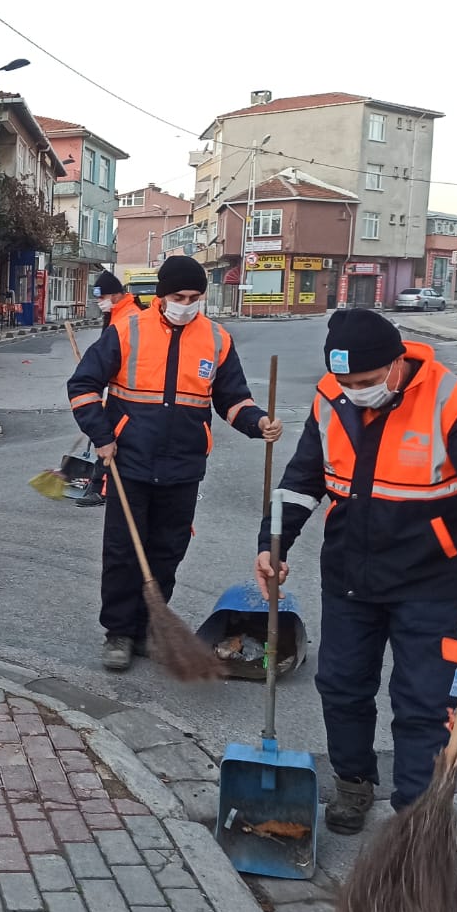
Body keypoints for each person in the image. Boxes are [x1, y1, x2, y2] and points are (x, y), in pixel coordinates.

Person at [256, 310, 457, 833]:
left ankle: (417, 817)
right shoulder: (331, 398)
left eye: (369, 382)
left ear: (398, 363)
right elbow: (302, 480)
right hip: (351, 576)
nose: (356, 392)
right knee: (342, 686)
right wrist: (273, 544)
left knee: (423, 702)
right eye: (347, 383)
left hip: (433, 582)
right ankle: (353, 783)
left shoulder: (455, 402)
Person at [67, 256, 282, 671]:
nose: (187, 304)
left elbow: (232, 398)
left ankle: (151, 625)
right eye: (179, 297)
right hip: (129, 460)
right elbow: (83, 385)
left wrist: (258, 423)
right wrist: (103, 436)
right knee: (124, 550)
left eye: (195, 297)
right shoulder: (127, 331)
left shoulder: (216, 339)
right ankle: (119, 632)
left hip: (184, 465)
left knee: (168, 550)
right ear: (161, 296)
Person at [72, 271, 142, 508]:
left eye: (102, 298)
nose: (100, 303)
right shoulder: (118, 314)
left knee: (111, 440)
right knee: (107, 437)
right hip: (118, 391)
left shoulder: (129, 318)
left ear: (115, 295)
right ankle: (100, 487)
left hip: (131, 395)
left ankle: (101, 489)